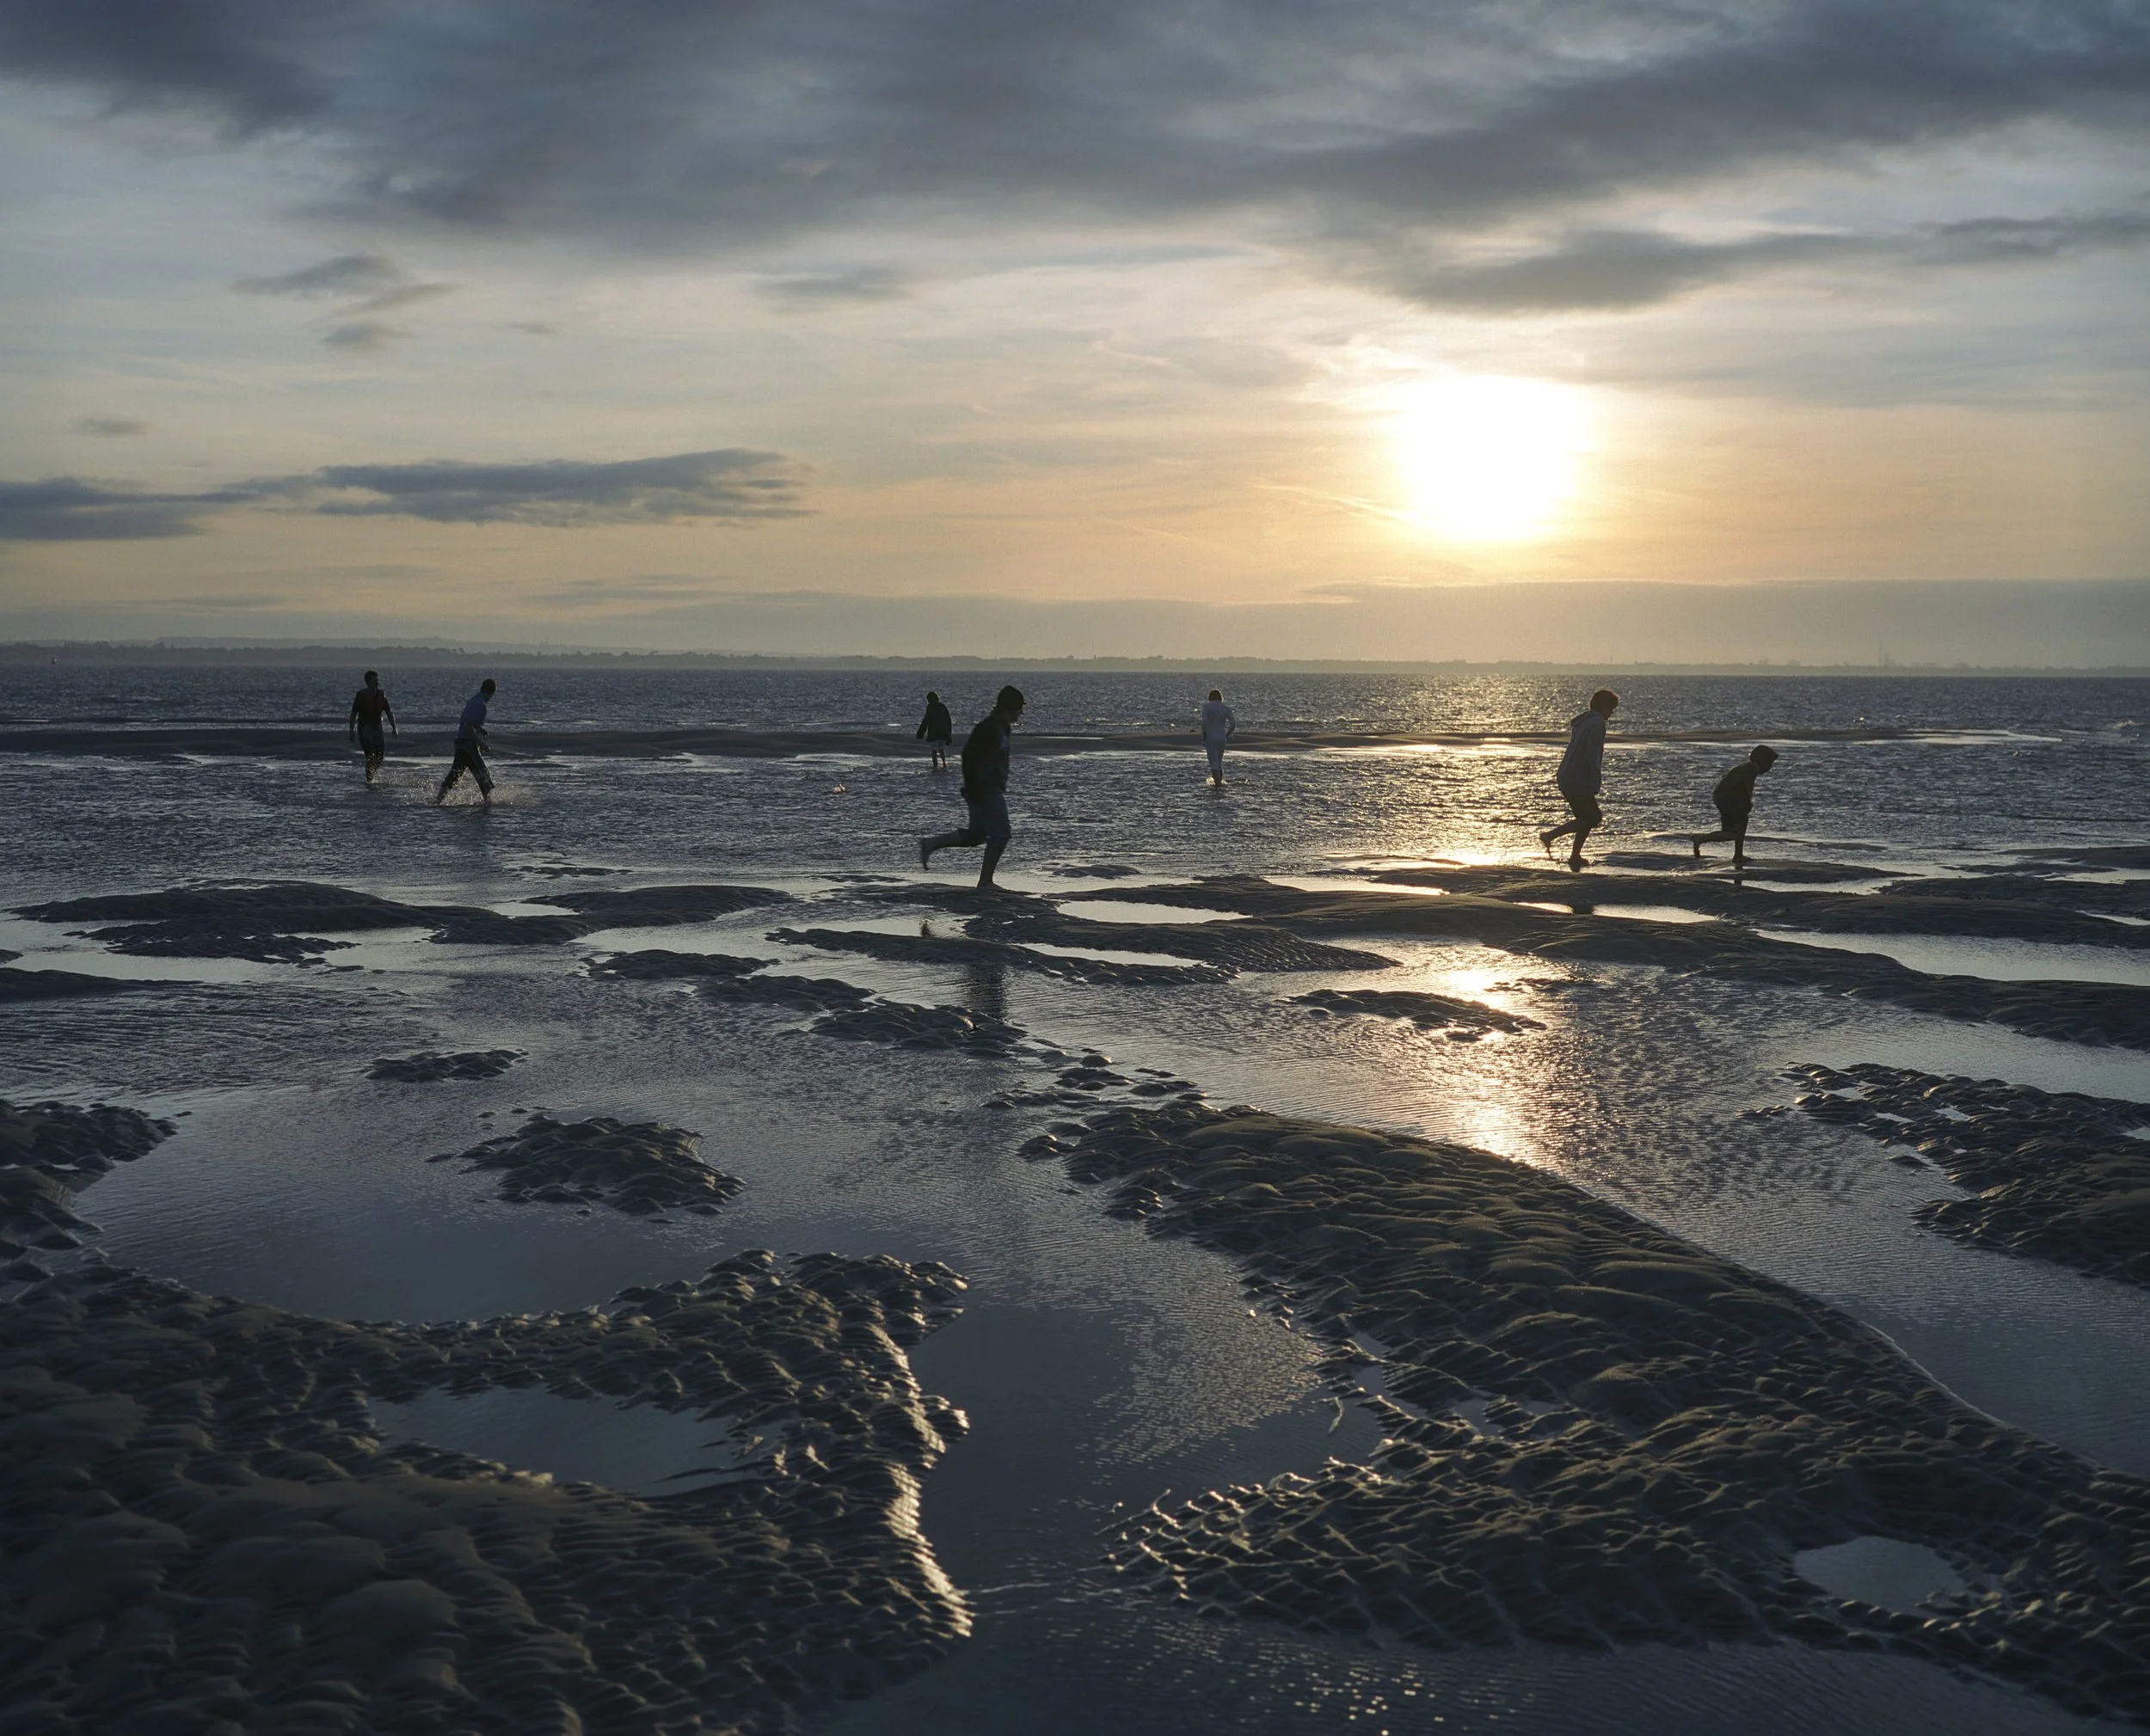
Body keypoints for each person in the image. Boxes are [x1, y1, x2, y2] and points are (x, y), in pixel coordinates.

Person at [918, 684, 1026, 890]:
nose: (1021, 713)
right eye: (1019, 709)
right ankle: (985, 881)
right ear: (1009, 708)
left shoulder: (1003, 728)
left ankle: (930, 844)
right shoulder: (990, 728)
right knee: (1001, 833)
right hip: (985, 789)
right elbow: (968, 756)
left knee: (976, 835)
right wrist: (975, 786)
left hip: (987, 788)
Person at [1539, 688, 1619, 868]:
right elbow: (1593, 753)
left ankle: (1575, 855)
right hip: (1578, 777)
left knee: (1586, 818)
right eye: (1611, 709)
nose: (1612, 713)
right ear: (1604, 707)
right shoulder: (1597, 723)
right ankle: (1551, 836)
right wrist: (1594, 778)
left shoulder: (1584, 721)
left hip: (1567, 774)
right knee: (1593, 818)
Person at [1692, 745, 1779, 868]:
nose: (1770, 768)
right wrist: (1747, 803)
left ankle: (1738, 855)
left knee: (1743, 821)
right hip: (1728, 800)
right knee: (1731, 832)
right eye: (1770, 763)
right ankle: (1701, 839)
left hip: (1724, 797)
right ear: (1762, 760)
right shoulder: (1753, 768)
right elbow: (1748, 787)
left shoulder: (1746, 767)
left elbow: (1727, 778)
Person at [436, 678, 497, 807]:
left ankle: (438, 801)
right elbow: (468, 727)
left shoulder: (474, 700)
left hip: (460, 743)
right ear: (493, 692)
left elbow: (468, 723)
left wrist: (480, 729)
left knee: (455, 774)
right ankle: (489, 803)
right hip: (467, 744)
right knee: (483, 773)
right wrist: (481, 743)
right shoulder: (481, 705)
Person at [347, 670, 396, 784]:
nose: (377, 682)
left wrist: (394, 727)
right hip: (364, 728)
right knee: (370, 755)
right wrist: (351, 731)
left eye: (377, 680)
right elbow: (353, 713)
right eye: (375, 680)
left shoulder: (381, 695)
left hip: (377, 727)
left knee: (379, 756)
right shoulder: (361, 695)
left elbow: (389, 712)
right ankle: (369, 780)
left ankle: (372, 774)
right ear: (368, 682)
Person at [1200, 688, 1237, 787]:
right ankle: (1220, 782)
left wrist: (1204, 734)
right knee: (1219, 762)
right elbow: (1233, 723)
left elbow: (1204, 722)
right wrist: (1227, 734)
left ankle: (1217, 785)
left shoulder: (1207, 707)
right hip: (1222, 737)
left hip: (1211, 737)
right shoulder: (1225, 708)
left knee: (1213, 763)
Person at [916, 690, 954, 770]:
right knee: (941, 748)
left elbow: (926, 720)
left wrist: (920, 733)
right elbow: (948, 720)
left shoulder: (930, 707)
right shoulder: (943, 706)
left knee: (934, 749)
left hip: (934, 732)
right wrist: (949, 734)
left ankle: (935, 765)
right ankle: (944, 763)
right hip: (943, 732)